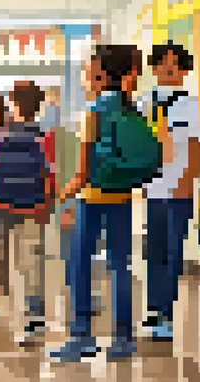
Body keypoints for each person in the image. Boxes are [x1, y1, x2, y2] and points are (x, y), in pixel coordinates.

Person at [52, 45, 148, 362]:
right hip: (122, 196)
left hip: (92, 199)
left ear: (103, 75)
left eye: (90, 72)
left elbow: (82, 173)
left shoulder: (93, 112)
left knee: (80, 263)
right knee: (120, 266)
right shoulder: (131, 109)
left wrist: (60, 197)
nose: (85, 78)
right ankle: (123, 338)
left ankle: (82, 336)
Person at [0, 84, 56, 345]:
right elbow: (49, 174)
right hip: (32, 205)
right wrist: (47, 204)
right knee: (31, 258)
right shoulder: (42, 135)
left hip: (0, 205)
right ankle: (34, 311)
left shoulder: (3, 135)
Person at [141, 42, 200, 340]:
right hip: (152, 188)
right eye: (163, 62)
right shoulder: (144, 103)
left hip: (178, 190)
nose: (169, 67)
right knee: (153, 251)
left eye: (175, 63)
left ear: (184, 69)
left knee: (172, 252)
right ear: (153, 67)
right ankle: (153, 309)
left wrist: (188, 182)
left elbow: (196, 148)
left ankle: (166, 313)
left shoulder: (190, 105)